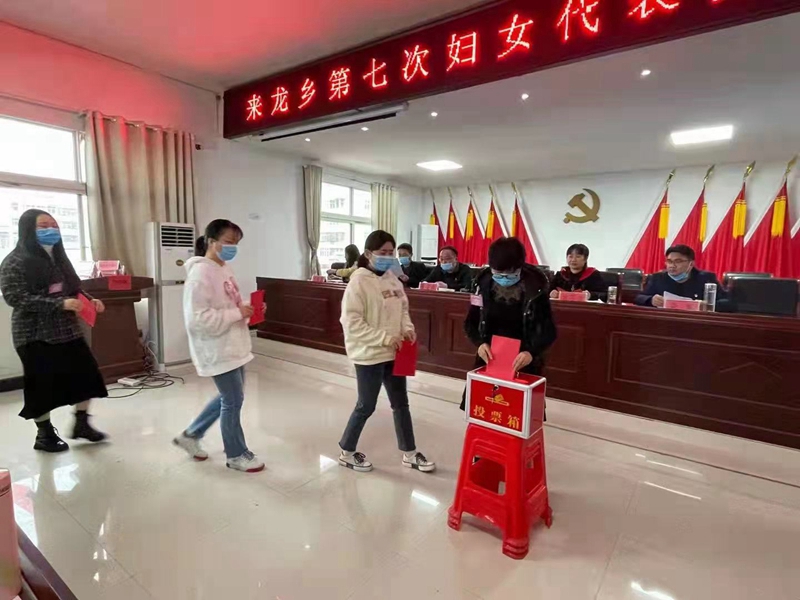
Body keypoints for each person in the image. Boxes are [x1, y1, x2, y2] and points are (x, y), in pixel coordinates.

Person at [0, 209, 108, 453]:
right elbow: (16, 297)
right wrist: (59, 304)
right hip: (34, 334)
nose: (51, 229)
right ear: (28, 230)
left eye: (54, 225)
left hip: (66, 329)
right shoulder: (14, 261)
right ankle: (44, 435)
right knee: (41, 385)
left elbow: (73, 288)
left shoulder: (58, 257)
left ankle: (82, 423)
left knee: (87, 375)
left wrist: (90, 300)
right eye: (43, 226)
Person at [338, 230, 435, 474]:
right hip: (369, 354)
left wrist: (408, 329)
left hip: (396, 353)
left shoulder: (393, 279)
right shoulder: (358, 282)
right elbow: (351, 322)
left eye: (391, 253)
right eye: (383, 252)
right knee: (366, 405)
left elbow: (403, 310)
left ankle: (410, 453)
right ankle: (346, 452)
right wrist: (383, 338)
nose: (388, 257)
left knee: (401, 404)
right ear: (368, 253)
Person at [173, 219, 265, 473]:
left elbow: (229, 303)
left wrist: (248, 307)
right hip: (216, 347)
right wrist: (238, 313)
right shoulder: (200, 274)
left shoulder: (223, 268)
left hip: (233, 344)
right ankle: (236, 454)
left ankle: (191, 435)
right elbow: (198, 320)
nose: (233, 247)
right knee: (232, 400)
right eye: (228, 242)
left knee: (231, 397)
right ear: (211, 242)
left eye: (236, 243)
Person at [463, 237, 557, 410]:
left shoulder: (536, 288)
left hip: (523, 360)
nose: (503, 278)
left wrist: (531, 352)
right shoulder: (482, 284)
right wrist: (479, 343)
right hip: (489, 356)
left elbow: (548, 330)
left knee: (518, 411)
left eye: (509, 273)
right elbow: (470, 322)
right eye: (498, 273)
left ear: (520, 266)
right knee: (483, 407)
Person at [636, 244, 725, 308]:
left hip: (696, 322)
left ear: (691, 264)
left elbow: (727, 302)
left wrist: (707, 305)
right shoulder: (658, 278)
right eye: (669, 261)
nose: (672, 265)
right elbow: (639, 298)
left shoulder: (706, 278)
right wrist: (651, 300)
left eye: (678, 261)